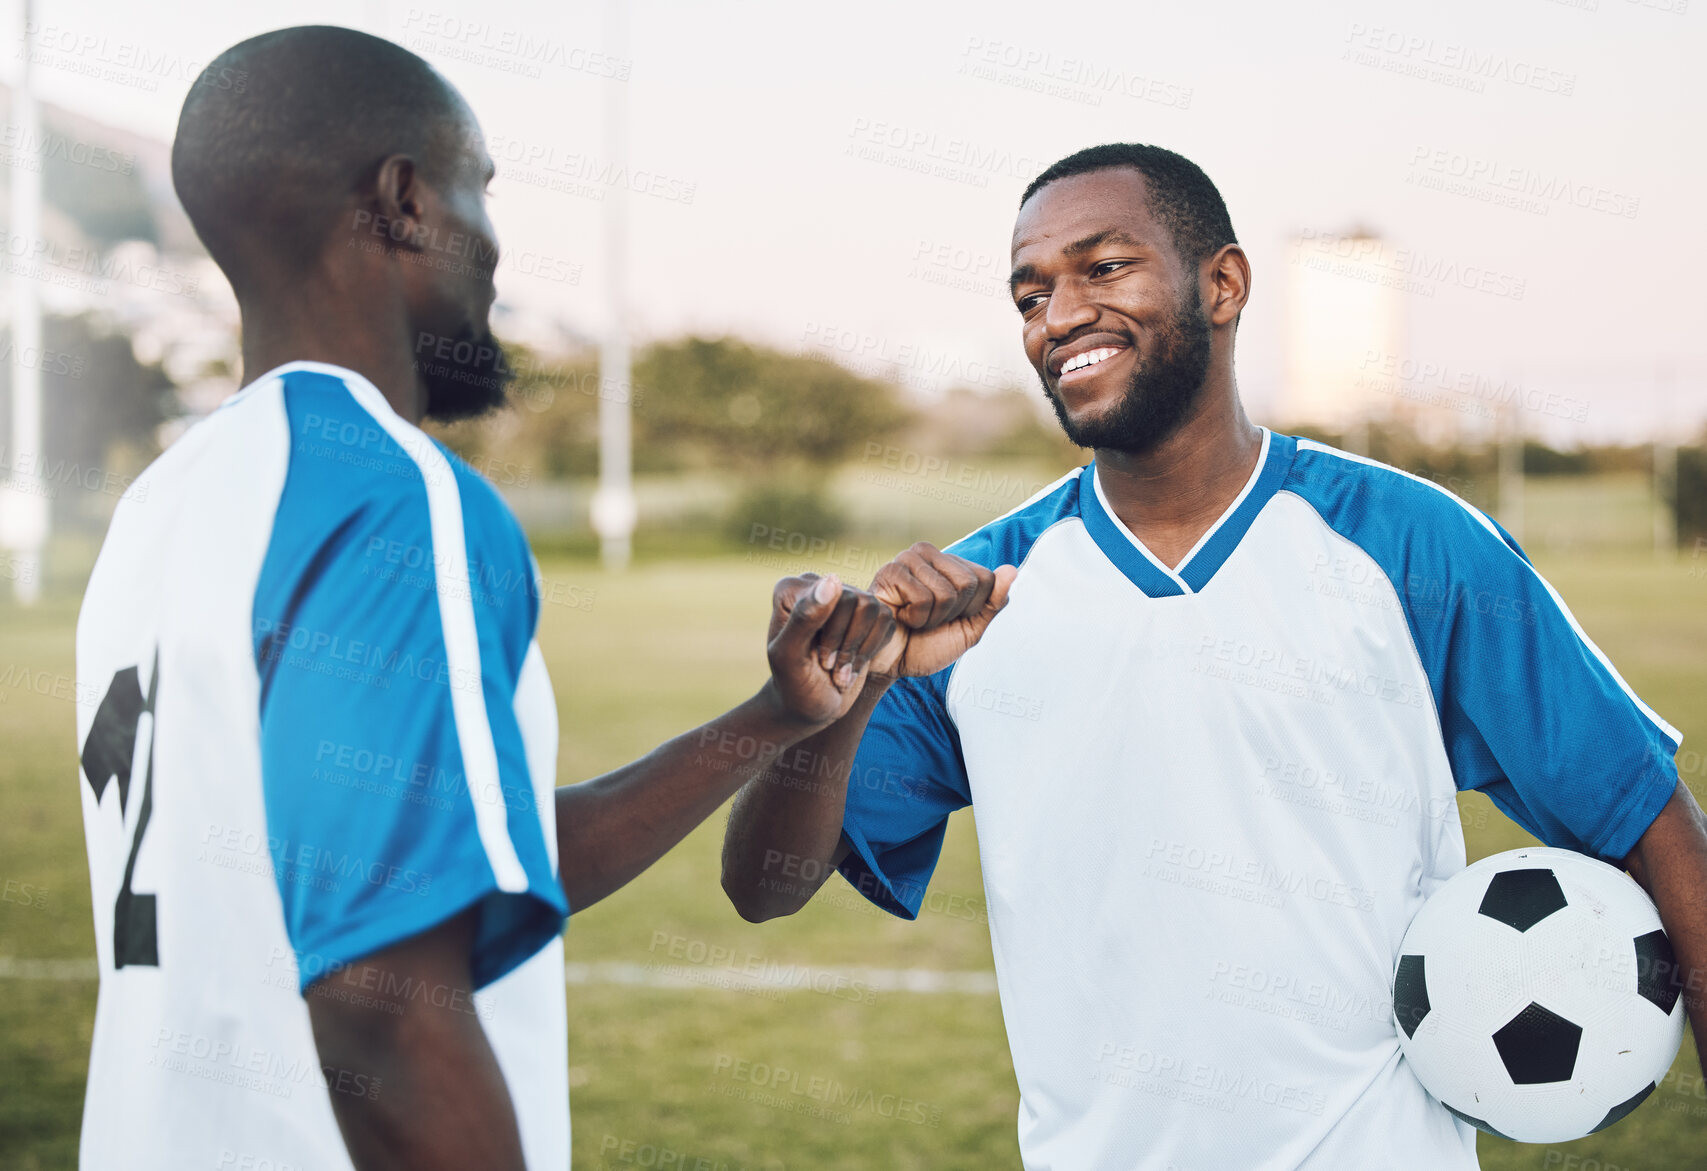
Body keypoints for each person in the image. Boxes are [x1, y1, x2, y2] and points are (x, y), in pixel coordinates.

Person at [72, 26, 1006, 1171]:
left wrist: (771, 721)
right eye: (483, 193)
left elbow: (458, 856)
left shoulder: (167, 505)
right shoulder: (390, 495)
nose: (496, 249)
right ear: (405, 199)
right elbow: (382, 995)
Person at [721, 143, 1707, 1169]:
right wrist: (831, 709)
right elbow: (765, 887)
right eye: (1029, 295)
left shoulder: (1408, 544)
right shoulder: (975, 602)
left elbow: (1652, 824)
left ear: (1223, 283)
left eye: (1103, 269)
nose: (1058, 317)